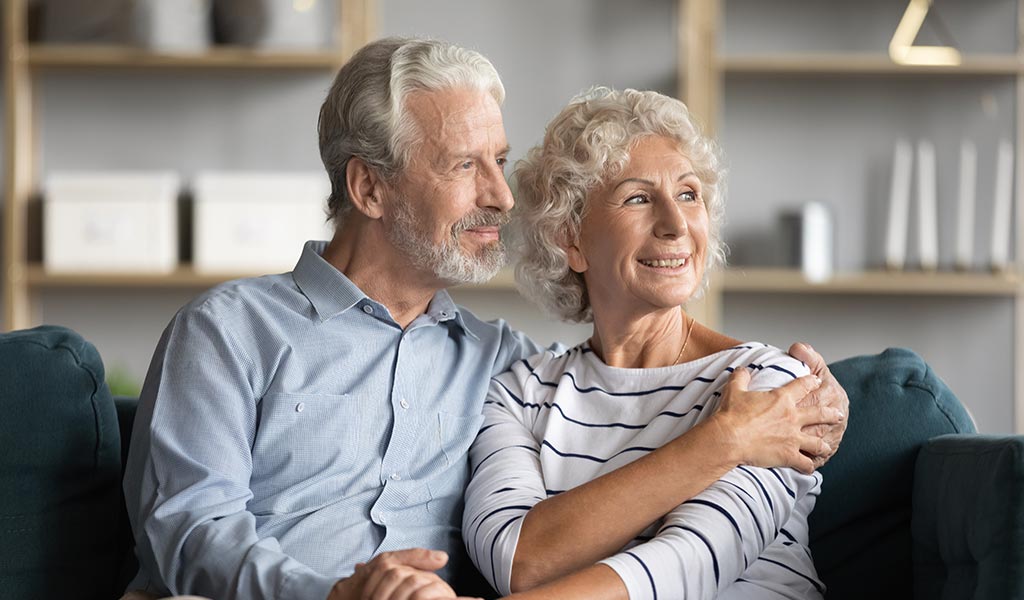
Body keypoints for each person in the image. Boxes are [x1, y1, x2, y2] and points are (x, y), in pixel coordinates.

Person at [122, 38, 847, 600]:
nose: (502, 197)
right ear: (369, 187)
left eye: (500, 161)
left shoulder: (503, 364)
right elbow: (188, 528)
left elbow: (628, 395)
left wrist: (824, 403)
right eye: (466, 166)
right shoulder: (229, 330)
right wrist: (334, 594)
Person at [464, 87, 837, 599]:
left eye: (688, 195)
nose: (676, 223)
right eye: (639, 198)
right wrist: (722, 441)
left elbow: (688, 564)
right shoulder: (517, 396)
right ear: (569, 239)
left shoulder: (768, 386)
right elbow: (519, 560)